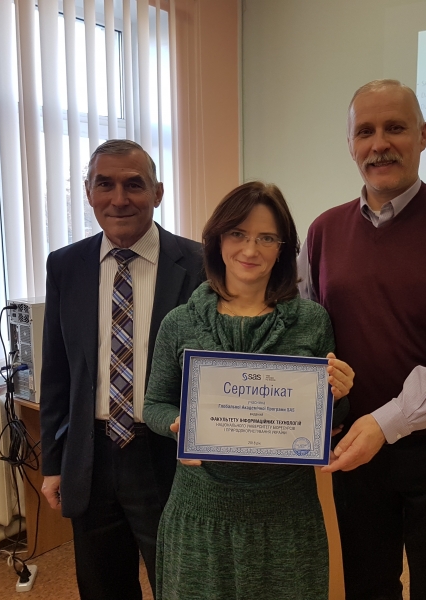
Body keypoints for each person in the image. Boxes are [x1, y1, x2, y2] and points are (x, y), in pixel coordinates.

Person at [299, 79, 426, 599]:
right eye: (365, 131)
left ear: (423, 136)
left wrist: (386, 422)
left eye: (395, 128)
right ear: (350, 144)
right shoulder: (322, 231)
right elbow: (306, 335)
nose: (379, 144)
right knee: (367, 585)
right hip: (355, 446)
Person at [143, 181, 354, 600]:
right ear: (218, 240)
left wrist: (339, 395)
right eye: (238, 233)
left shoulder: (312, 322)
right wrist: (176, 424)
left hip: (286, 517)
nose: (250, 249)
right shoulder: (179, 323)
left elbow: (330, 422)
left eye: (266, 238)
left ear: (283, 248)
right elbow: (154, 404)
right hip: (200, 513)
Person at [39, 139, 205, 600]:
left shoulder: (200, 264)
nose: (119, 199)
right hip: (90, 457)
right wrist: (53, 463)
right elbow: (57, 372)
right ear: (88, 193)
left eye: (134, 184)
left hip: (168, 453)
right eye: (104, 185)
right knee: (102, 586)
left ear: (158, 192)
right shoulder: (65, 265)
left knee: (181, 584)